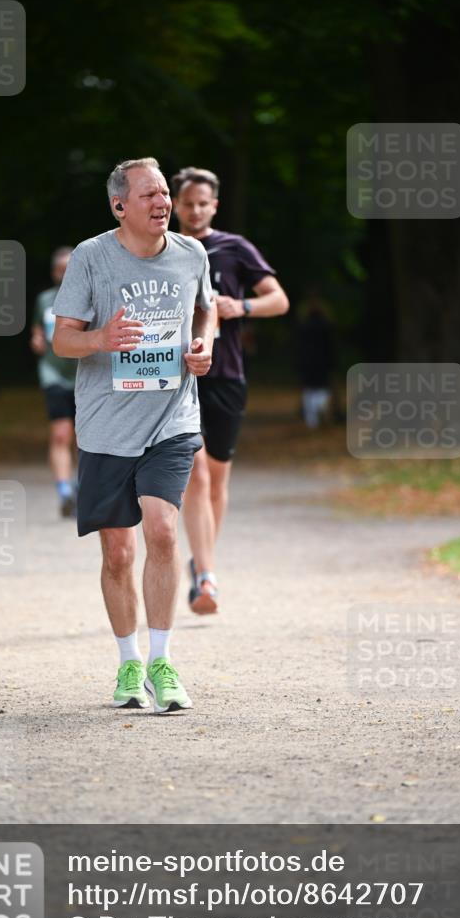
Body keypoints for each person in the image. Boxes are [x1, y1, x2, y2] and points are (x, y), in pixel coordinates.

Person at [52, 158, 216, 714]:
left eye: (165, 192)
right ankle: (128, 663)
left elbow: (206, 312)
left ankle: (163, 660)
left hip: (172, 418)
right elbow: (62, 341)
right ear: (120, 205)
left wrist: (203, 346)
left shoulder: (192, 254)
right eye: (149, 194)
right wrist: (101, 339)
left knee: (163, 532)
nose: (162, 202)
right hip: (105, 425)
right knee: (119, 552)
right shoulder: (92, 257)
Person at [171, 166, 289, 615]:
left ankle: (202, 559)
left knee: (217, 480)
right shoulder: (167, 251)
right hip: (180, 378)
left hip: (227, 376)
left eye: (204, 203)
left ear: (214, 206)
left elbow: (278, 299)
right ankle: (208, 578)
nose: (196, 210)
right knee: (195, 474)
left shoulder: (233, 248)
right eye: (188, 203)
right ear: (176, 206)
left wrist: (240, 306)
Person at [30, 247, 77, 517]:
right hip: (54, 373)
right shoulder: (44, 300)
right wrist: (37, 340)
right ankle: (64, 493)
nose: (65, 274)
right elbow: (37, 330)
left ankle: (82, 488)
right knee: (61, 433)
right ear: (54, 272)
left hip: (85, 374)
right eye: (61, 269)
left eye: (70, 268)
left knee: (86, 439)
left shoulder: (91, 297)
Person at [296, 289, 336, 429]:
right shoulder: (325, 325)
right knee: (319, 389)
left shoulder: (304, 325)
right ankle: (319, 416)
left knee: (311, 389)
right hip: (320, 362)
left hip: (310, 362)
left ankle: (313, 420)